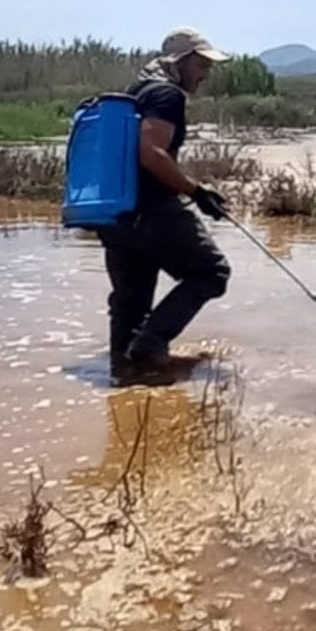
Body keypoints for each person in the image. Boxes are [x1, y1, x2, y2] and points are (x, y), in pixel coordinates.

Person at [98, 28, 235, 378]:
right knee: (212, 272)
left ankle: (125, 379)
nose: (207, 73)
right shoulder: (167, 96)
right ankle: (151, 344)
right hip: (152, 209)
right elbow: (151, 153)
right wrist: (196, 192)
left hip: (116, 213)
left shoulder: (138, 91)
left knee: (131, 304)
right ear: (182, 61)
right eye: (202, 64)